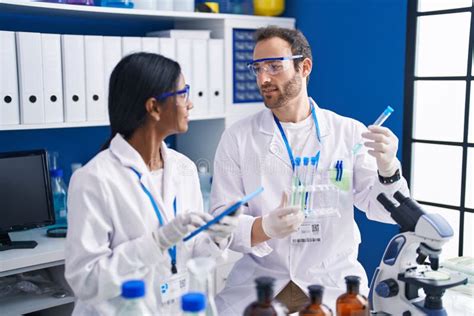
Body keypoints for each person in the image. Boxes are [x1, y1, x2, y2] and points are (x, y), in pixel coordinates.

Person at [210, 26, 410, 314]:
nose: (263, 78)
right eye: (257, 68)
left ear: (304, 67)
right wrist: (263, 228)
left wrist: (388, 168)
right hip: (261, 281)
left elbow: (383, 211)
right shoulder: (238, 137)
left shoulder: (348, 133)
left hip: (331, 282)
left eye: (274, 67)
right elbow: (221, 223)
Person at [65, 53, 239, 315]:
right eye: (182, 94)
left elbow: (191, 257)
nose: (190, 104)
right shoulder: (93, 179)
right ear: (154, 107)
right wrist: (156, 242)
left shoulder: (184, 169)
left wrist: (216, 239)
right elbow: (86, 282)